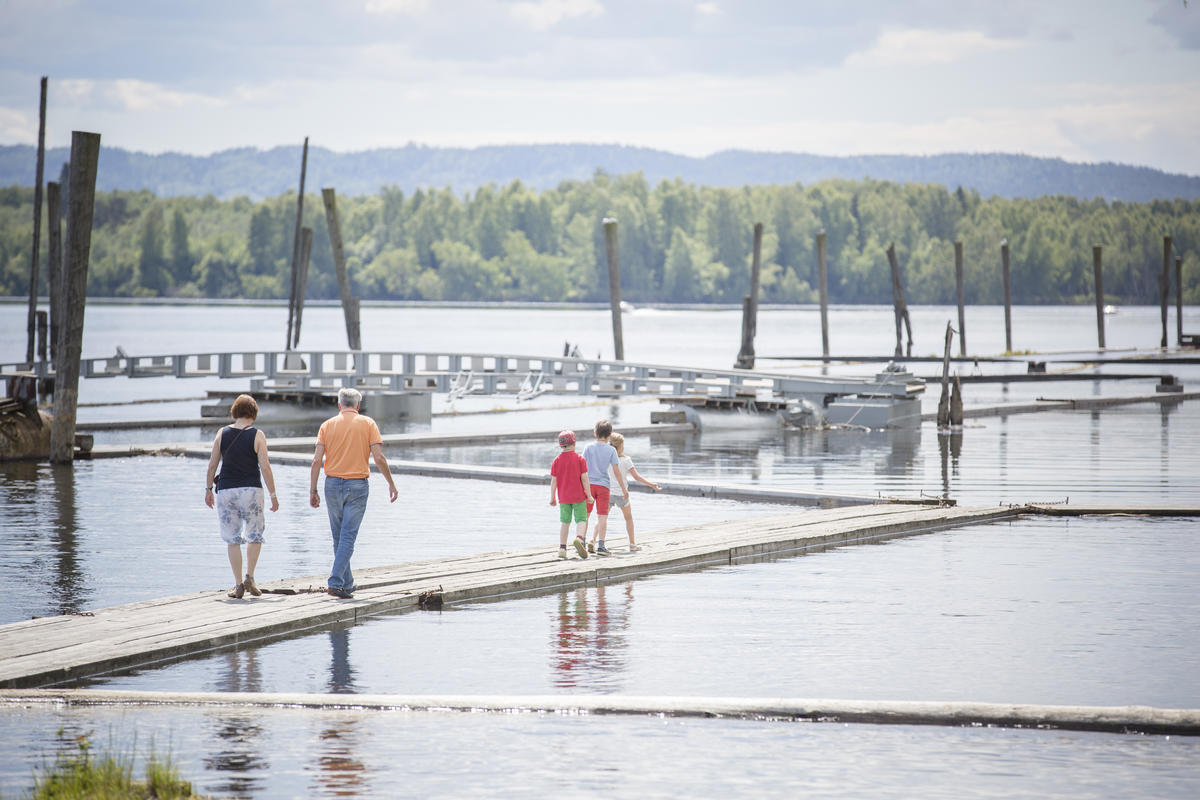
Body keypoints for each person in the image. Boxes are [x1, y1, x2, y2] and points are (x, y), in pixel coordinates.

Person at [309, 387, 398, 599]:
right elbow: (379, 458)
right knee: (348, 536)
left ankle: (346, 583)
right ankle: (335, 582)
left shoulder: (327, 425)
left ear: (339, 404)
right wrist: (391, 484)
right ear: (358, 405)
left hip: (331, 484)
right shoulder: (368, 423)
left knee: (339, 537)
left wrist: (312, 489)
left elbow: (316, 460)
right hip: (357, 486)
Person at [205, 394, 279, 599]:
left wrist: (208, 489)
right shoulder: (257, 435)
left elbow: (212, 465)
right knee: (254, 534)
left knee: (232, 539)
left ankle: (238, 585)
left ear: (235, 411)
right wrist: (273, 495)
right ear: (253, 412)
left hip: (226, 490)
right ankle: (250, 577)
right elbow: (265, 467)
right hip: (251, 491)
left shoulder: (222, 433)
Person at [605, 432, 660, 552]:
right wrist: (651, 484)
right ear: (620, 446)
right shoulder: (626, 460)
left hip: (608, 493)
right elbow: (637, 477)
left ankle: (593, 540)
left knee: (602, 518)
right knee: (628, 518)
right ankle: (632, 544)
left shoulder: (606, 459)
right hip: (622, 494)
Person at [582, 419, 627, 556]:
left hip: (589, 485)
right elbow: (617, 472)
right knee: (602, 516)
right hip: (604, 486)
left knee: (585, 515)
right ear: (609, 435)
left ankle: (582, 542)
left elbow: (582, 468)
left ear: (595, 433)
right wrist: (623, 489)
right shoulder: (611, 450)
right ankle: (601, 546)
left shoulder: (588, 447)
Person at [550, 429, 594, 560]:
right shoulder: (580, 459)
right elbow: (585, 478)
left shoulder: (556, 461)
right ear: (574, 443)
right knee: (581, 519)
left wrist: (552, 497)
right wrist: (589, 495)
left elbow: (554, 481)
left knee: (565, 522)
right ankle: (579, 539)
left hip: (563, 498)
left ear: (560, 445)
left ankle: (562, 549)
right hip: (578, 496)